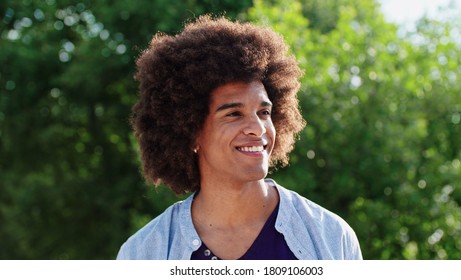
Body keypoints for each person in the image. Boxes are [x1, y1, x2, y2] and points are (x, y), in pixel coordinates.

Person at [117, 15, 362, 260]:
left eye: (264, 112)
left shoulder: (331, 237)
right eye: (234, 114)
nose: (257, 128)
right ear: (190, 132)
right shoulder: (143, 254)